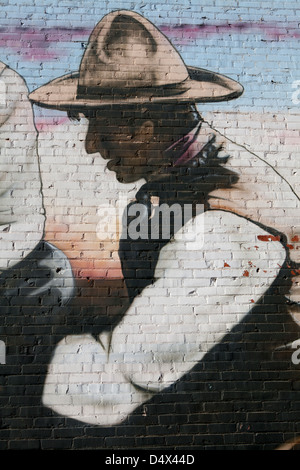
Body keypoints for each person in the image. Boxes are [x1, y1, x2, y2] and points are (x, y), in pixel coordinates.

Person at [29, 10, 300, 428]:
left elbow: (129, 370)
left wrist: (23, 381)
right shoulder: (172, 182)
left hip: (262, 417)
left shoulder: (223, 227)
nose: (89, 146)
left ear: (143, 126)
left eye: (96, 126)